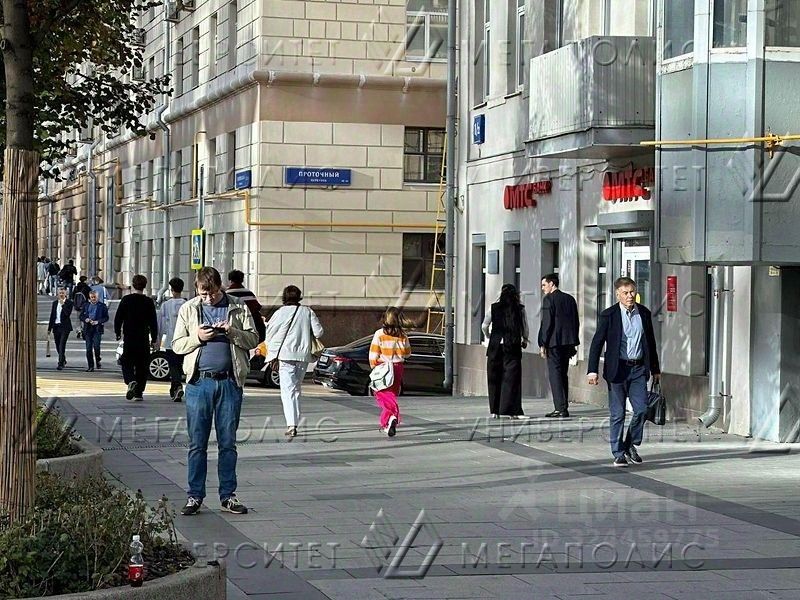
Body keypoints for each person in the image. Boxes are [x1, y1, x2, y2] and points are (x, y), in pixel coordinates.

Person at [172, 266, 260, 516]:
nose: (208, 298)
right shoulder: (189, 308)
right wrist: (198, 337)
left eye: (212, 293)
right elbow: (177, 345)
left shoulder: (237, 306)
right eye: (203, 294)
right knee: (197, 443)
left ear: (220, 286)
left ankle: (228, 496)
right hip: (199, 384)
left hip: (229, 383)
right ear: (197, 289)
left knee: (227, 443)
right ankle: (195, 496)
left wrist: (232, 332)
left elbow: (253, 339)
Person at [587, 276, 661, 467]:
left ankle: (629, 444)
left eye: (632, 292)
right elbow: (597, 343)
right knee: (618, 414)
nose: (630, 296)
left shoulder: (643, 313)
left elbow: (650, 343)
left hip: (638, 369)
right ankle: (618, 453)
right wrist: (592, 370)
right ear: (617, 294)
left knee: (642, 409)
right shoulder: (609, 315)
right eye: (626, 293)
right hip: (617, 370)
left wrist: (655, 369)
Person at [264, 285, 324, 438]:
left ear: (284, 297)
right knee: (296, 388)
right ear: (299, 297)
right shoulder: (307, 311)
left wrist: (272, 351)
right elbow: (319, 332)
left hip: (285, 355)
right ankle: (294, 422)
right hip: (303, 356)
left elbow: (269, 333)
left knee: (287, 390)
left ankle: (292, 425)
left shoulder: (279, 312)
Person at [482, 284, 529, 419]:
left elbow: (484, 325)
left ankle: (495, 411)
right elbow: (525, 327)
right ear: (516, 295)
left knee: (494, 377)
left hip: (495, 346)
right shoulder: (520, 309)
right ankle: (512, 411)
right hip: (513, 346)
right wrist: (525, 340)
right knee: (512, 379)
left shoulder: (493, 307)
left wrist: (489, 336)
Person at [538, 273, 580, 418]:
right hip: (567, 343)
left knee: (555, 375)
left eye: (544, 285)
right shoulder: (569, 299)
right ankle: (563, 406)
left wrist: (543, 343)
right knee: (563, 374)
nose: (542, 288)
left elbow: (547, 323)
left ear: (552, 284)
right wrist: (573, 341)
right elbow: (575, 321)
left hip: (553, 343)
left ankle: (560, 408)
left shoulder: (549, 299)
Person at [114, 274, 159, 401]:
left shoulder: (126, 300)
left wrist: (117, 332)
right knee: (142, 365)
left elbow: (118, 318)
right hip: (143, 338)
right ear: (145, 286)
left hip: (129, 337)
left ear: (133, 285)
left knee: (126, 361)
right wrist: (154, 338)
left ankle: (130, 380)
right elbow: (153, 322)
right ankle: (139, 393)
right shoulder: (148, 302)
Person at [368, 307, 411, 437]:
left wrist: (374, 365)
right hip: (397, 367)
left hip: (383, 367)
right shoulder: (403, 335)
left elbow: (373, 354)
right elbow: (407, 353)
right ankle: (389, 423)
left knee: (381, 393)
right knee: (391, 394)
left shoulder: (379, 334)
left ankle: (391, 417)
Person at [158, 277, 187, 401]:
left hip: (171, 341)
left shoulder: (166, 305)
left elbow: (161, 324)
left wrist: (158, 339)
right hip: (184, 340)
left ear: (171, 290)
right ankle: (174, 389)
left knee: (173, 366)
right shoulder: (187, 304)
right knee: (180, 365)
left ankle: (177, 386)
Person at [225, 269, 266, 342]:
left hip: (234, 325)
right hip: (251, 325)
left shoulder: (227, 294)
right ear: (242, 280)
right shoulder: (249, 293)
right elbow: (257, 308)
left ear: (230, 280)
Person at [80, 290, 109, 372]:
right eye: (92, 297)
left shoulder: (102, 306)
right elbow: (81, 316)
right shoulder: (86, 305)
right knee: (88, 348)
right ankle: (91, 366)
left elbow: (106, 317)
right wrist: (85, 319)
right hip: (88, 328)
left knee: (96, 346)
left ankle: (98, 359)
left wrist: (98, 322)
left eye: (94, 297)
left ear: (97, 297)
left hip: (97, 329)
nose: (93, 299)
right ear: (89, 298)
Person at [47, 287, 73, 370]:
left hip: (65, 327)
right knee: (58, 345)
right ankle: (63, 359)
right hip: (56, 326)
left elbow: (67, 314)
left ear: (66, 294)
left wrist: (63, 304)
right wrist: (49, 328)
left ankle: (60, 363)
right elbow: (52, 315)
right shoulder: (55, 303)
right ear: (57, 294)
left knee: (62, 345)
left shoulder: (69, 303)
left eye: (63, 293)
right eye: (60, 293)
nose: (61, 295)